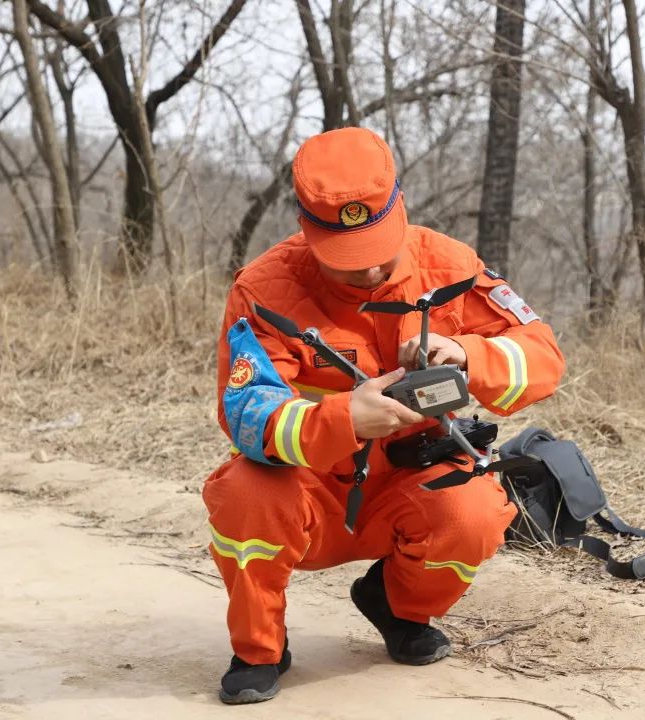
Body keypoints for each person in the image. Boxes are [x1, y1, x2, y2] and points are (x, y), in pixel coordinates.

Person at [204, 126, 565, 704]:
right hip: (309, 493)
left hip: (406, 480)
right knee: (245, 493)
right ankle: (259, 647)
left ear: (400, 210)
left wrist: (470, 358)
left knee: (472, 507)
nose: (370, 274)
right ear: (307, 230)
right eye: (348, 263)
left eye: (378, 255)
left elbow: (543, 355)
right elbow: (247, 413)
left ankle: (398, 607)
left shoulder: (450, 266)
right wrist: (347, 418)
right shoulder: (263, 290)